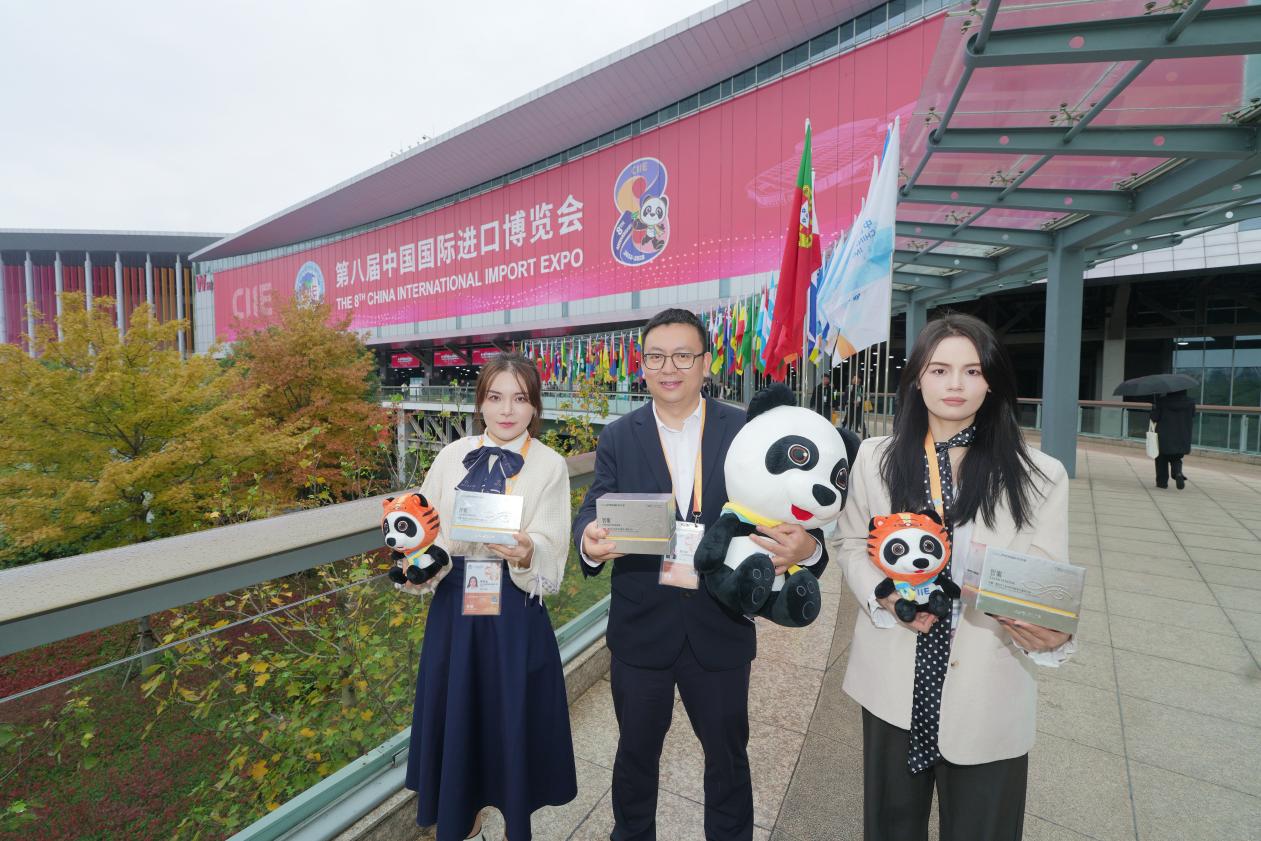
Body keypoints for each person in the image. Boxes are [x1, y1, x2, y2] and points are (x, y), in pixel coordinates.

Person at [573, 308, 825, 841]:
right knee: (635, 757)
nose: (669, 367)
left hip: (721, 624)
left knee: (728, 758)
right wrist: (589, 540)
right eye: (657, 356)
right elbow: (594, 507)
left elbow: (793, 502)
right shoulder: (618, 436)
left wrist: (809, 548)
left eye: (683, 355)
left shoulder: (745, 430)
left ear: (706, 363)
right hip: (641, 627)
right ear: (642, 365)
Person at [834, 312, 1075, 841]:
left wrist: (1051, 637)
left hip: (989, 693)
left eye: (972, 371)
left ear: (991, 382)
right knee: (891, 829)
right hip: (893, 686)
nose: (956, 385)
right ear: (916, 378)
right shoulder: (875, 459)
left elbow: (1046, 590)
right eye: (940, 370)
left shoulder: (1040, 475)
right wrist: (883, 596)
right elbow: (850, 543)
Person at [401, 352, 577, 841]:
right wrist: (419, 567)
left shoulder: (550, 465)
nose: (507, 410)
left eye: (519, 398)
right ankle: (465, 822)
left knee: (509, 719)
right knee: (458, 716)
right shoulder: (450, 455)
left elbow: (553, 542)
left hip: (514, 612)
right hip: (455, 610)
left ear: (534, 406)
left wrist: (527, 551)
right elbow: (428, 531)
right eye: (496, 397)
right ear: (480, 403)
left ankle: (511, 818)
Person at [1150, 388, 1196, 489]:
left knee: (1161, 458)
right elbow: (1192, 415)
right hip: (1182, 434)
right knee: (1176, 457)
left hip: (1164, 435)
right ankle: (1178, 473)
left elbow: (1154, 418)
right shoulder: (1190, 402)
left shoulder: (1162, 401)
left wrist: (1154, 407)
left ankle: (1162, 483)